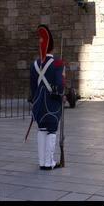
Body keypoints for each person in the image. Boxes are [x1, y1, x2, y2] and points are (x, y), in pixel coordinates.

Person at [29, 25, 66, 170]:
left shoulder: (34, 64)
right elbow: (59, 82)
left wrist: (35, 97)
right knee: (51, 130)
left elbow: (33, 86)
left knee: (41, 130)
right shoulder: (58, 63)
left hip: (39, 102)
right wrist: (62, 95)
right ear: (53, 47)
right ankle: (49, 162)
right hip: (52, 102)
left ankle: (42, 162)